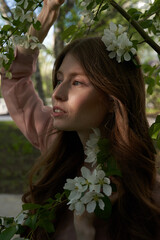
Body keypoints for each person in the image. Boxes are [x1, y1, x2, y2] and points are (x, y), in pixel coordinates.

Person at [1, 0, 160, 239]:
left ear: (111, 98)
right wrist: (47, 12)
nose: (57, 93)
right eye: (59, 79)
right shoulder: (57, 141)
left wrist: (86, 233)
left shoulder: (148, 194)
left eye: (77, 82)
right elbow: (14, 76)